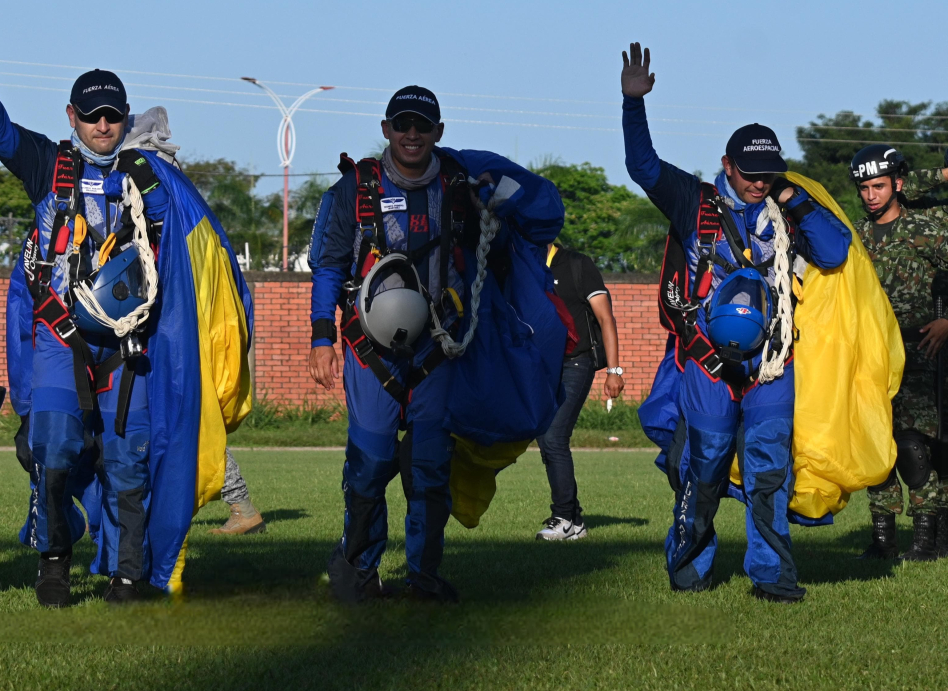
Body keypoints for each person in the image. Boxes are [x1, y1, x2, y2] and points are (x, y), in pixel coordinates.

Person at [0, 17, 253, 607]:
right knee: (54, 448)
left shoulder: (153, 178)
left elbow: (192, 253)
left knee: (128, 460)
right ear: (71, 116)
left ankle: (128, 573)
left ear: (125, 117)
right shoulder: (48, 166)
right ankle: (55, 560)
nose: (103, 125)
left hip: (129, 347)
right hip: (61, 336)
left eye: (112, 115)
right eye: (91, 115)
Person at [308, 86, 564, 603]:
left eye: (422, 126)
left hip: (439, 349)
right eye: (402, 124)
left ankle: (423, 576)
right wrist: (320, 336)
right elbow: (329, 268)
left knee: (428, 466)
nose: (411, 134)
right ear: (385, 129)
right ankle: (358, 571)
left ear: (439, 133)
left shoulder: (461, 182)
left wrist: (496, 191)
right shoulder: (353, 190)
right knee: (371, 460)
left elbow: (543, 213)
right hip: (368, 349)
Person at [621, 43, 852, 602]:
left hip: (772, 365)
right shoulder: (691, 200)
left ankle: (772, 577)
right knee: (703, 470)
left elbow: (835, 251)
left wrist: (792, 196)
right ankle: (690, 571)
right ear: (727, 165)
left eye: (769, 174)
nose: (759, 183)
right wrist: (633, 106)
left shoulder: (786, 207)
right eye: (750, 174)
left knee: (769, 472)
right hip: (707, 364)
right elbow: (642, 167)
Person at [850, 147, 948, 561]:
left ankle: (926, 543)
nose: (870, 195)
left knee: (913, 447)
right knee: (877, 447)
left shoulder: (927, 228)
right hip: (870, 356)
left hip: (918, 350)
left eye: (878, 185)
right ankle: (883, 542)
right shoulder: (852, 235)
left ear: (898, 186)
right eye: (864, 188)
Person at [535, 244, 624, 540]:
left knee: (554, 436)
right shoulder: (525, 265)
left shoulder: (576, 264)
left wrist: (614, 371)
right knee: (547, 440)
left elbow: (605, 318)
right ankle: (574, 520)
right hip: (543, 365)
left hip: (577, 362)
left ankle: (563, 518)